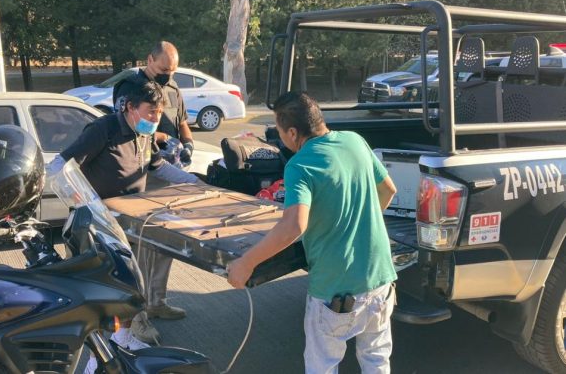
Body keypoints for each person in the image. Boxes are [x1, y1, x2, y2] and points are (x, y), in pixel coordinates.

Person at [227, 92, 398, 374]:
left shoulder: (301, 164)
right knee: (377, 361)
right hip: (380, 279)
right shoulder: (355, 141)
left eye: (280, 131)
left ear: (292, 132)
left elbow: (294, 226)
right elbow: (387, 189)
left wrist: (246, 263)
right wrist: (358, 224)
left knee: (323, 365)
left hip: (336, 290)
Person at [47, 81, 197, 349]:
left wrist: (194, 182)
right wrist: (83, 201)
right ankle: (108, 342)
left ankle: (136, 323)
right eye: (151, 111)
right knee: (110, 284)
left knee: (138, 274)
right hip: (102, 221)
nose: (155, 118)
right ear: (130, 107)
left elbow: (157, 166)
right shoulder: (103, 130)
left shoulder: (145, 133)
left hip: (135, 217)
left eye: (160, 112)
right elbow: (60, 165)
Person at [114, 40, 194, 167]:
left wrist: (188, 146)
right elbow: (122, 130)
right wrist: (165, 138)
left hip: (173, 164)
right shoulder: (130, 88)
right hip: (142, 165)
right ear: (150, 60)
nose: (168, 75)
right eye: (164, 69)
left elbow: (182, 123)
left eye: (172, 71)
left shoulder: (173, 88)